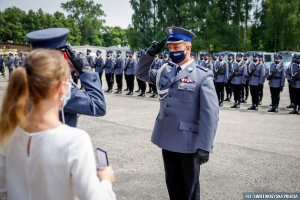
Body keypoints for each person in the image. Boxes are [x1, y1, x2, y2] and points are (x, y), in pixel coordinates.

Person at [0, 49, 116, 200]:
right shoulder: (74, 141)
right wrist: (106, 181)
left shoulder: (6, 134)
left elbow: (4, 185)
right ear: (62, 88)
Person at [135, 26, 219, 200]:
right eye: (170, 48)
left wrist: (205, 145)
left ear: (188, 48)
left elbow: (210, 114)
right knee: (173, 186)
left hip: (189, 144)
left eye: (176, 48)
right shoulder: (165, 70)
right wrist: (149, 55)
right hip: (167, 139)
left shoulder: (202, 76)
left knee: (189, 190)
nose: (172, 52)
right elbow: (141, 73)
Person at [26, 27, 106, 127]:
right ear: (57, 55)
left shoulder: (24, 80)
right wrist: (86, 70)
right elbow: (98, 106)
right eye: (64, 52)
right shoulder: (58, 88)